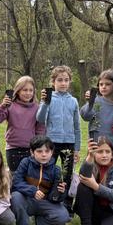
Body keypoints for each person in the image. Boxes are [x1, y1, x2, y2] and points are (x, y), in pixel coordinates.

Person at [36, 65, 81, 205]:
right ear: (53, 82)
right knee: (48, 171)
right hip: (52, 143)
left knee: (67, 174)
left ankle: (66, 203)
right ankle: (46, 200)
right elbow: (40, 119)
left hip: (69, 144)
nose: (63, 83)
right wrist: (45, 103)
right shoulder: (48, 99)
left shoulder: (73, 101)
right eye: (60, 80)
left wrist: (77, 148)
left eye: (66, 80)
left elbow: (77, 127)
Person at [10, 136, 70, 225]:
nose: (44, 154)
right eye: (39, 151)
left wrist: (60, 192)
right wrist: (33, 191)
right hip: (27, 199)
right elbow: (16, 182)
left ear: (52, 152)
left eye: (47, 151)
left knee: (63, 216)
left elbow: (54, 198)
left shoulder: (56, 170)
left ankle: (38, 223)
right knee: (15, 197)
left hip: (45, 202)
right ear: (32, 152)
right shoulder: (26, 163)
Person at [73, 136, 113, 225]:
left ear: (112, 154)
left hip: (112, 211)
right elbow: (83, 176)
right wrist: (90, 156)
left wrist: (95, 186)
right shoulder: (91, 164)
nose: (104, 155)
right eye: (100, 152)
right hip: (93, 208)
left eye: (107, 152)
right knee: (83, 186)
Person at [0, 75, 45, 173]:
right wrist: (3, 106)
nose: (28, 93)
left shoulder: (37, 108)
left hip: (30, 150)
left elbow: (40, 129)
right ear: (18, 91)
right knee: (15, 176)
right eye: (25, 90)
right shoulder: (10, 106)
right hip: (13, 149)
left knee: (29, 177)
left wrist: (37, 146)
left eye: (31, 90)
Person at [80, 70, 113, 156]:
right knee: (93, 165)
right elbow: (85, 116)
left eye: (107, 84)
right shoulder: (96, 101)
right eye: (101, 84)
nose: (104, 87)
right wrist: (90, 103)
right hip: (95, 144)